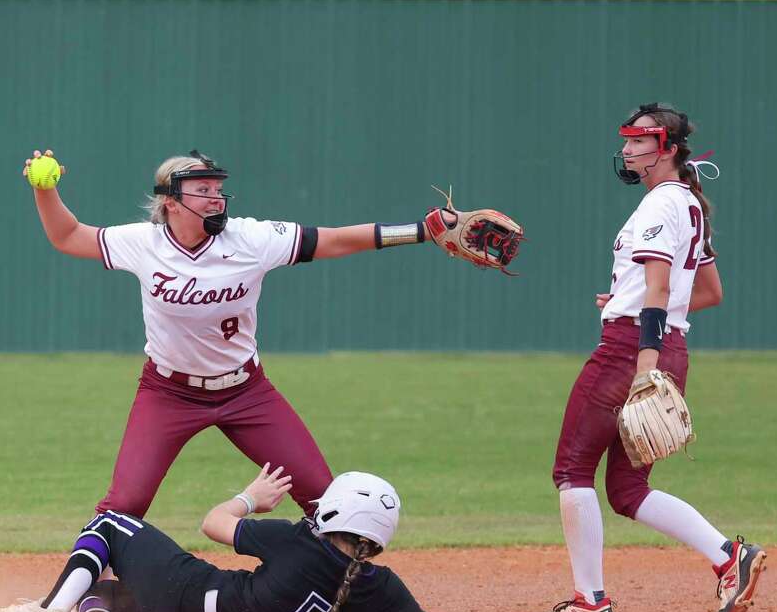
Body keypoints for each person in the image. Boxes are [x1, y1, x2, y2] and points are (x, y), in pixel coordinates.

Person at [23, 148, 454, 519]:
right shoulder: (144, 243)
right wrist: (46, 189)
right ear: (170, 202)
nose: (215, 199)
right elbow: (68, 236)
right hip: (168, 393)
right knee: (126, 502)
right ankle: (87, 589)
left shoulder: (251, 237)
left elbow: (335, 240)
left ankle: (340, 593)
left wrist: (420, 231)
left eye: (217, 190)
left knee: (322, 496)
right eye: (202, 191)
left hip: (246, 393)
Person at [530, 103, 765, 612]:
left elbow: (660, 288)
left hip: (629, 351)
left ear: (670, 149)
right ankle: (729, 556)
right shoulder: (690, 204)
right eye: (629, 141)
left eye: (642, 141)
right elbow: (707, 293)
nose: (630, 150)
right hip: (664, 343)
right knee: (627, 491)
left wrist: (643, 361)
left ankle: (589, 601)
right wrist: (624, 299)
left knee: (571, 470)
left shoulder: (661, 204)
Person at [0, 465, 558, 612]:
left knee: (113, 525)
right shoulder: (379, 590)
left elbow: (212, 525)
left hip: (188, 597)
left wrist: (249, 497)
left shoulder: (298, 542)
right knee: (112, 596)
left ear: (335, 511)